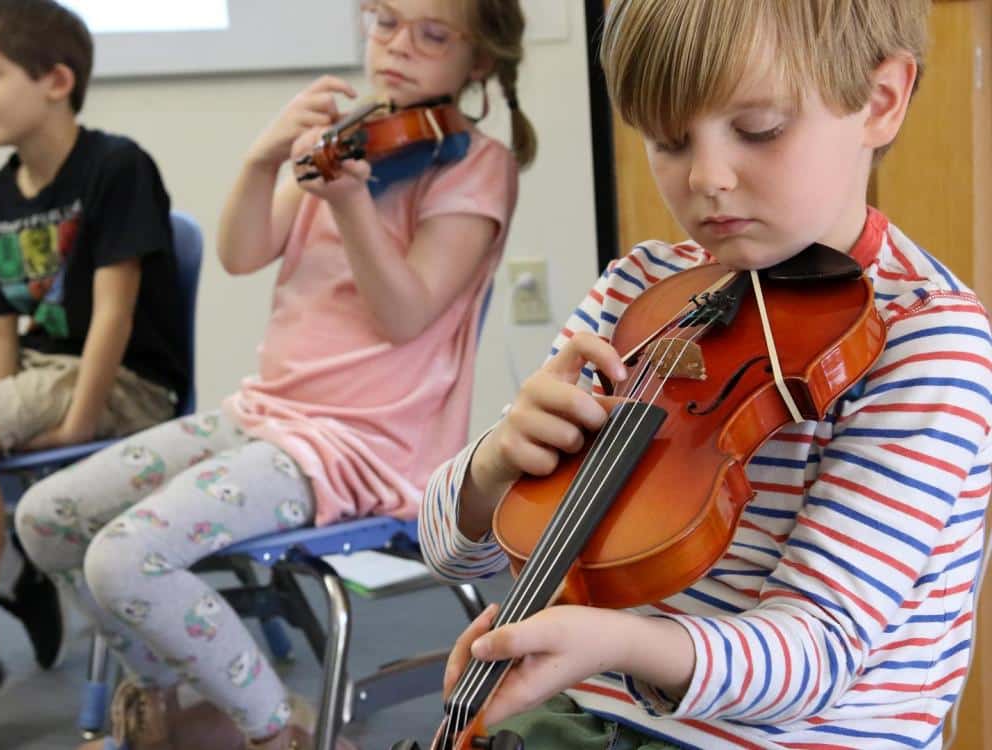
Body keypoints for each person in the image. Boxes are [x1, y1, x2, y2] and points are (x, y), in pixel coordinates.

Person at [422, 1, 992, 749]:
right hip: (583, 715)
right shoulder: (640, 292)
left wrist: (615, 645)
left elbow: (817, 653)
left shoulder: (924, 338)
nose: (707, 176)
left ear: (880, 102)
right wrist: (496, 463)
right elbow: (451, 549)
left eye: (758, 130)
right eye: (669, 140)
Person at [16, 0, 536, 748]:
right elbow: (241, 251)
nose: (398, 47)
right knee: (46, 519)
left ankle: (273, 731)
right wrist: (264, 159)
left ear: (479, 60)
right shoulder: (349, 135)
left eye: (433, 34)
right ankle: (182, 701)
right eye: (385, 22)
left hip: (360, 442)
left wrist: (352, 205)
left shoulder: (476, 168)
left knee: (125, 560)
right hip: (267, 413)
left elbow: (405, 314)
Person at [0, 0, 185, 697]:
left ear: (56, 80)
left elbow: (114, 316)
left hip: (122, 383)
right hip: (44, 375)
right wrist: (4, 418)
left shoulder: (116, 166)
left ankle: (12, 583)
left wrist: (74, 423)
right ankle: (15, 578)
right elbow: (0, 331)